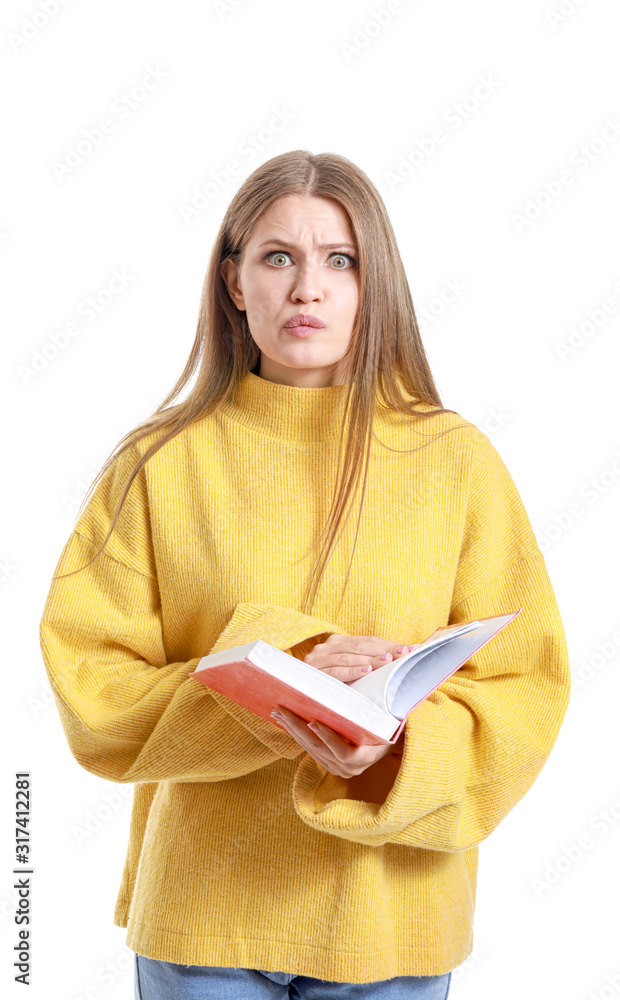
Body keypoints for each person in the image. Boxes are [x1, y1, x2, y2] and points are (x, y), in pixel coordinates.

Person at [38, 149, 571, 1000]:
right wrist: (289, 674)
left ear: (375, 284)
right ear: (234, 283)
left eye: (340, 260)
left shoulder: (456, 462)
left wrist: (393, 750)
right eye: (277, 256)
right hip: (203, 920)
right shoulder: (157, 464)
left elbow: (526, 687)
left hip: (394, 918)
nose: (308, 288)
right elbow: (92, 691)